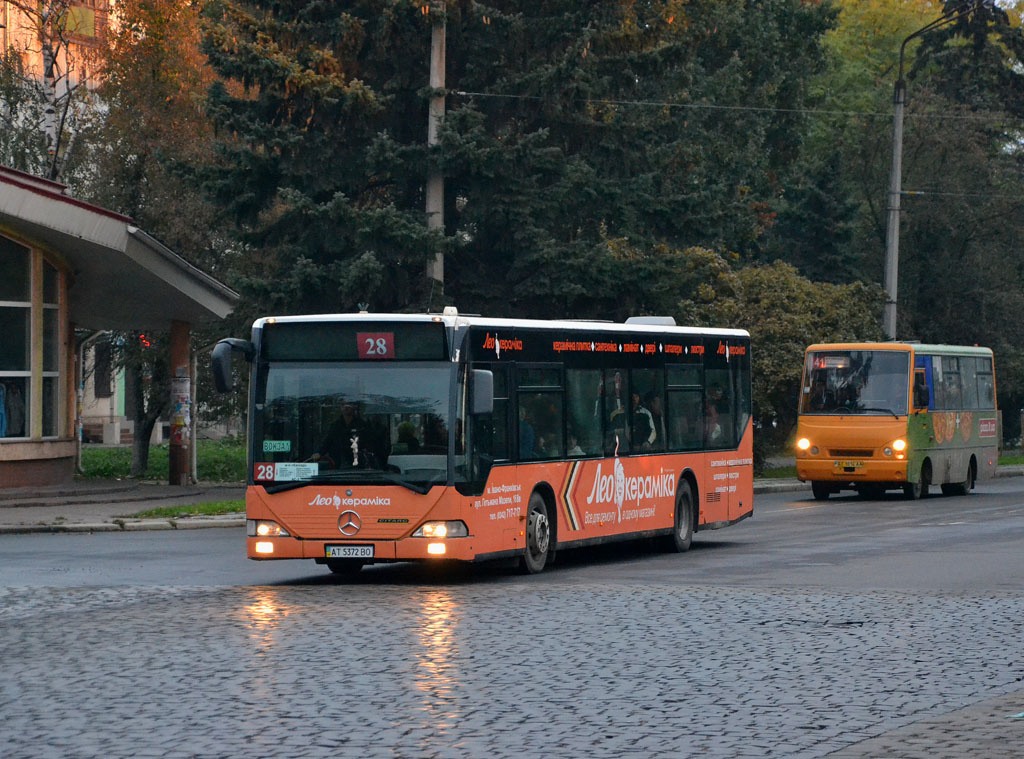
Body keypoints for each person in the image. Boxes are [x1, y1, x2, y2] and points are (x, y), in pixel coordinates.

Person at [318, 402, 367, 468]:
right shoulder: (335, 426)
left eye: (349, 404)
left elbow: (368, 445)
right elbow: (327, 442)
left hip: (358, 468)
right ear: (340, 407)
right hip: (337, 468)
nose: (346, 407)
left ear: (354, 407)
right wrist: (319, 453)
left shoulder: (362, 426)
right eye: (343, 404)